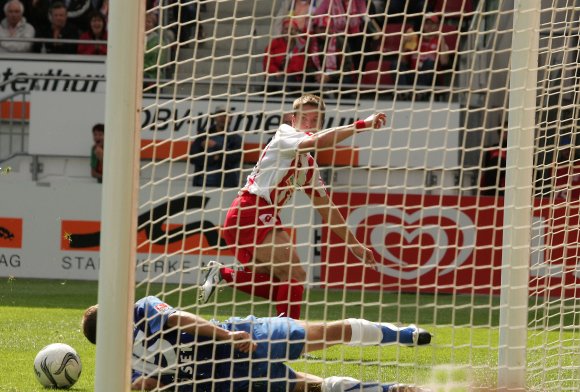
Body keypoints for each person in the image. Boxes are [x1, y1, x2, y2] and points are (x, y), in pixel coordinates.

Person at [200, 94, 385, 320]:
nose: (308, 122)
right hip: (251, 210)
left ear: (321, 123)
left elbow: (327, 209)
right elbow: (316, 141)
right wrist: (362, 125)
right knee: (295, 273)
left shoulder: (308, 166)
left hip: (252, 216)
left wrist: (354, 245)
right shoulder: (285, 135)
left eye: (314, 119)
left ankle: (223, 275)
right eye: (303, 117)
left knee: (281, 283)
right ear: (292, 119)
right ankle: (288, 336)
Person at [82, 295, 432, 391]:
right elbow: (154, 384)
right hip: (225, 381)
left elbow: (179, 319)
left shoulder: (141, 309)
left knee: (324, 333)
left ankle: (403, 334)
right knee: (311, 389)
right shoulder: (121, 373)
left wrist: (228, 335)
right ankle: (395, 390)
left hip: (243, 341)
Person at [189, 106, 242, 188]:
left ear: (230, 119)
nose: (223, 118)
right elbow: (192, 158)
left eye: (226, 116)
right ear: (215, 118)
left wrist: (216, 146)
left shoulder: (235, 138)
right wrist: (213, 159)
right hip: (200, 185)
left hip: (223, 187)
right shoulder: (203, 136)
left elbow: (235, 158)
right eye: (220, 115)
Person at [400, 13, 450, 87]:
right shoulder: (415, 39)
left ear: (437, 26)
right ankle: (403, 93)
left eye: (432, 24)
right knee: (395, 65)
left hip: (432, 78)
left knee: (429, 63)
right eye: (426, 24)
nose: (429, 26)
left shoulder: (440, 42)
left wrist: (442, 40)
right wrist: (403, 44)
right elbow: (403, 62)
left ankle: (419, 93)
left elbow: (444, 62)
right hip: (414, 74)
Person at [263, 19, 310, 91]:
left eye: (292, 29)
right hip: (275, 75)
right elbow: (268, 62)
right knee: (272, 81)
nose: (289, 32)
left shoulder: (300, 46)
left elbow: (298, 66)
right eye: (286, 29)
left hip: (293, 76)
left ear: (296, 31)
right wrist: (275, 71)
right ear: (282, 31)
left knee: (282, 82)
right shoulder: (274, 44)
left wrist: (285, 72)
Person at [480, 124, 508, 197]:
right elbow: (486, 169)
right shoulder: (493, 149)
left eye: (508, 132)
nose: (507, 134)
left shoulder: (518, 151)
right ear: (500, 134)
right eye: (504, 132)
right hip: (493, 189)